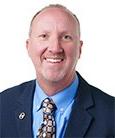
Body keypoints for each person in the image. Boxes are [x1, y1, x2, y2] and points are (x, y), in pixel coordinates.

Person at [0, 4, 114, 138]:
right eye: (44, 36)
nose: (55, 48)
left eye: (66, 37)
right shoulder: (3, 105)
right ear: (28, 47)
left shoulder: (111, 115)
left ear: (79, 49)